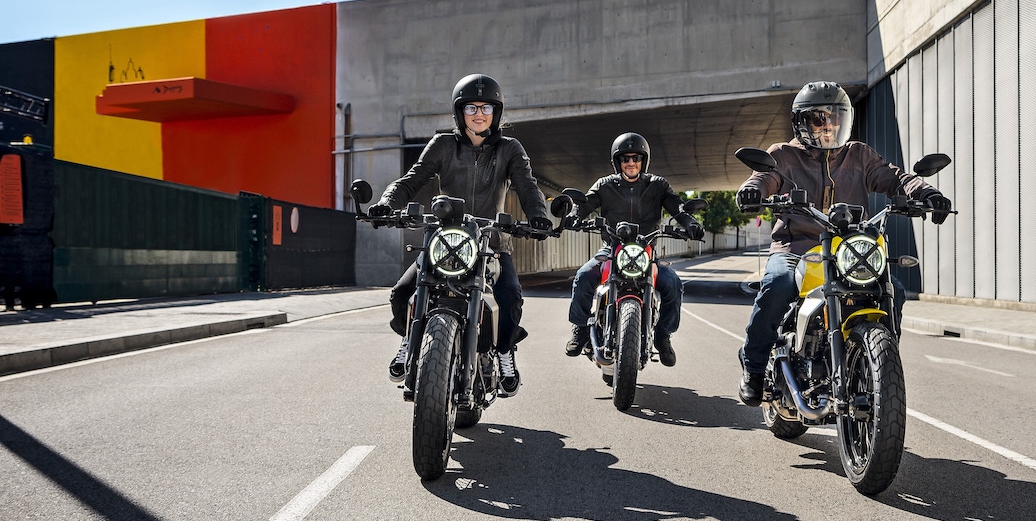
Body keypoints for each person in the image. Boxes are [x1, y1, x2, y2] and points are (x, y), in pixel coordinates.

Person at [734, 80, 952, 405]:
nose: (828, 126)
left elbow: (895, 177)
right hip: (796, 248)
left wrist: (925, 193)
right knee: (778, 283)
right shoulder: (784, 155)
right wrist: (752, 191)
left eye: (835, 118)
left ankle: (877, 367)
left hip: (848, 250)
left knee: (895, 292)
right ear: (802, 122)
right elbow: (763, 177)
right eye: (819, 118)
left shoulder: (860, 155)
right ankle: (753, 369)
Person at [368, 73, 552, 398]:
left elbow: (527, 185)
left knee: (510, 296)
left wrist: (538, 216)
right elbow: (411, 180)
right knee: (400, 293)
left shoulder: (509, 149)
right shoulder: (442, 144)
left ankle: (505, 351)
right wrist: (386, 203)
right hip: (446, 241)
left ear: (496, 112)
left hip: (491, 243)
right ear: (459, 112)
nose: (478, 114)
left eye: (485, 107)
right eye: (470, 107)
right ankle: (408, 339)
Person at [563, 132, 705, 367]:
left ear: (643, 161)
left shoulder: (658, 185)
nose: (631, 163)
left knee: (673, 283)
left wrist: (690, 223)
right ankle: (579, 329)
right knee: (584, 275)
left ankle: (663, 335)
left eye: (636, 158)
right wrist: (573, 216)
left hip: (645, 253)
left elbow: (677, 208)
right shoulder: (605, 185)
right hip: (611, 249)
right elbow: (586, 204)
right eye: (625, 158)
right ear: (617, 162)